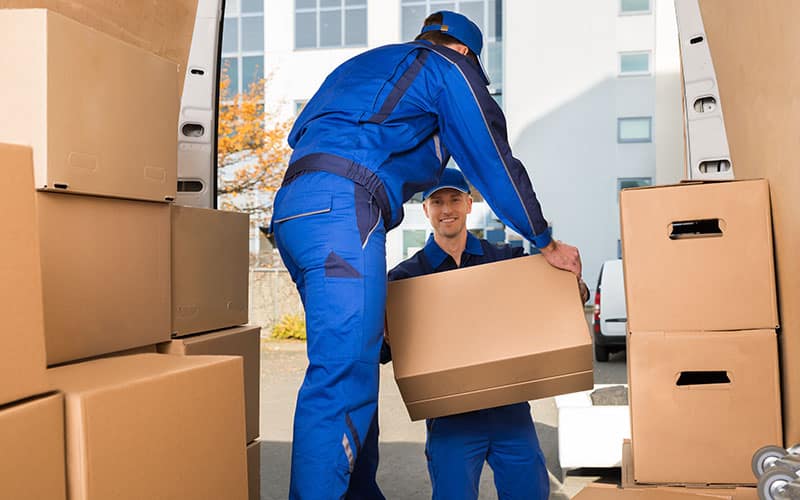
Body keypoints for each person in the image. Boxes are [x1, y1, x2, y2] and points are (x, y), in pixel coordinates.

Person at [270, 10, 582, 499]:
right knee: (341, 382)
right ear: (466, 54)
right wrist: (544, 239)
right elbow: (491, 158)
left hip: (294, 210)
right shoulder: (446, 66)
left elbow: (304, 137)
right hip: (343, 208)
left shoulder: (368, 66)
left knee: (353, 364)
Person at [381, 168, 589, 500]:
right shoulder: (405, 279)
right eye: (437, 202)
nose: (446, 209)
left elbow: (553, 304)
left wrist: (573, 284)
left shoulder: (505, 260)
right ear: (425, 210)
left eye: (453, 200)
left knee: (530, 494)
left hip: (510, 411)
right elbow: (384, 353)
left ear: (468, 204)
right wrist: (385, 331)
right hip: (450, 420)